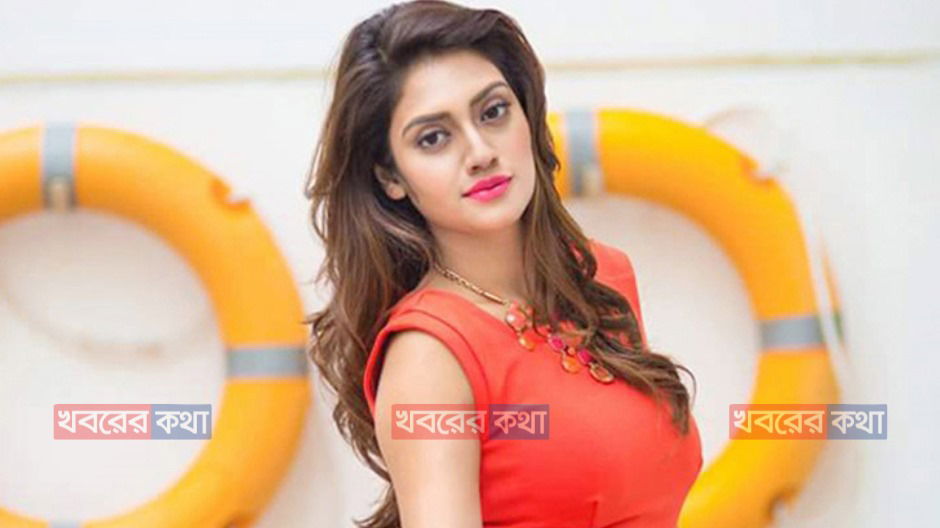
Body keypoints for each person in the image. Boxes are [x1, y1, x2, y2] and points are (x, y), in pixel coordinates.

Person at [304, 1, 703, 526]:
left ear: (527, 114)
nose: (480, 152)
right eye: (433, 138)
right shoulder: (429, 356)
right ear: (391, 177)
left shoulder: (602, 276)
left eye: (492, 112)